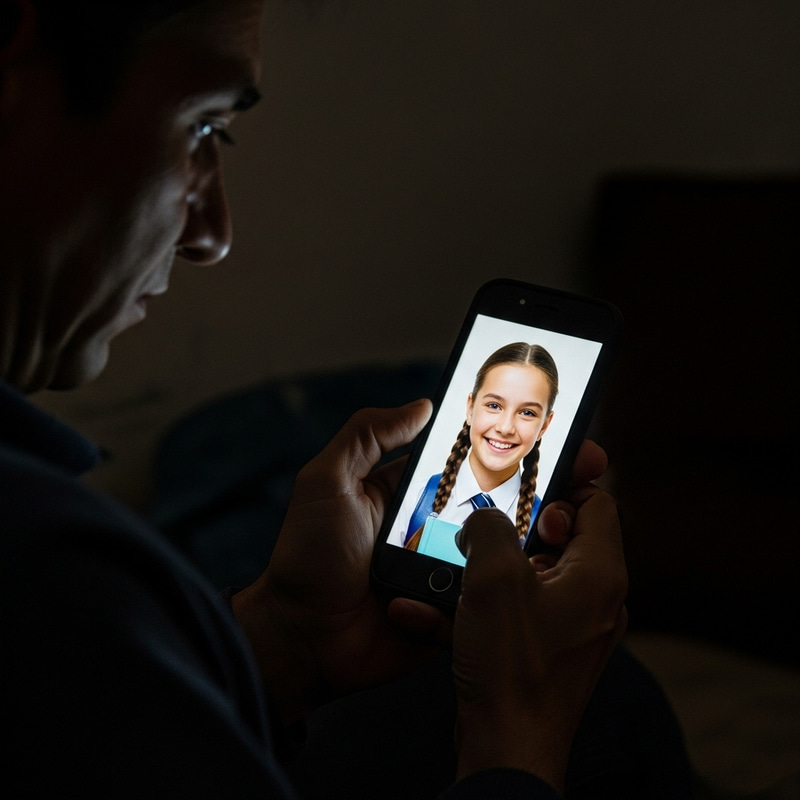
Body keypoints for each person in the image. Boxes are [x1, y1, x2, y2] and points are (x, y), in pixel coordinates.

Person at [0, 1, 693, 797]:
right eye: (202, 127)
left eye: (531, 412)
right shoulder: (51, 576)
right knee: (611, 706)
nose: (212, 235)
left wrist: (284, 645)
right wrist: (520, 731)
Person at [401, 342, 556, 557]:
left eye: (527, 412)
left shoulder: (543, 527)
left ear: (545, 426)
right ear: (470, 408)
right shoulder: (414, 496)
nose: (505, 428)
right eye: (494, 406)